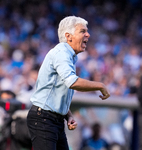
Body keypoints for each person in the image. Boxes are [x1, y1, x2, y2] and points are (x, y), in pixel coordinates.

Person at [27, 16, 110, 150]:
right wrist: (100, 85)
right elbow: (73, 82)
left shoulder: (69, 56)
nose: (88, 34)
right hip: (43, 119)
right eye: (83, 31)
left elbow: (56, 93)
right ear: (68, 36)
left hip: (53, 119)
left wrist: (68, 114)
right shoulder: (62, 53)